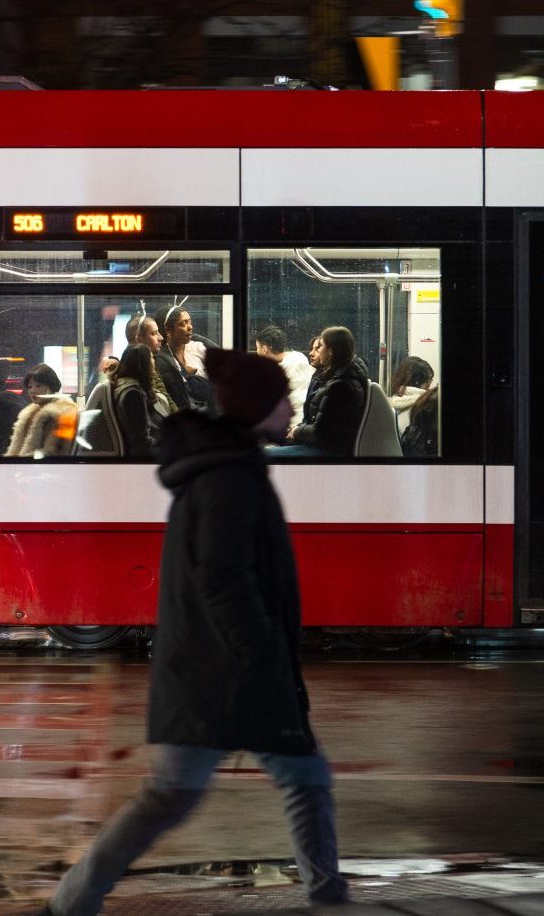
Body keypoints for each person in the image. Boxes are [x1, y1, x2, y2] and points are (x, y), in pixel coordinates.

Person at [43, 348, 348, 916]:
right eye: (281, 397)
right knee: (290, 783)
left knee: (228, 790)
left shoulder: (227, 468)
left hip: (214, 672)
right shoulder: (230, 478)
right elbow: (225, 580)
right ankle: (330, 901)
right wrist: (265, 659)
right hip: (228, 674)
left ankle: (72, 903)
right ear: (260, 407)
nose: (289, 406)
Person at [271, 326, 368, 458]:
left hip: (329, 450)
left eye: (320, 347)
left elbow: (322, 433)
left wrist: (297, 431)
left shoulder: (340, 386)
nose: (314, 352)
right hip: (323, 444)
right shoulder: (336, 378)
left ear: (331, 351)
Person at [6, 365, 78, 458]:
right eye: (30, 386)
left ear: (49, 387)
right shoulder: (31, 411)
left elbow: (57, 451)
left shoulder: (64, 412)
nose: (32, 390)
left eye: (38, 386)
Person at [255, 326, 311, 430]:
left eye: (257, 348)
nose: (256, 352)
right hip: (304, 422)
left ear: (264, 349)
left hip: (290, 427)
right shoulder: (300, 357)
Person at [111, 344, 156, 458]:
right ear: (143, 364)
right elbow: (142, 442)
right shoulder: (133, 395)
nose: (153, 361)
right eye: (151, 357)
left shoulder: (123, 384)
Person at [388, 356, 435, 436]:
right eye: (429, 381)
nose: (429, 386)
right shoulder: (424, 408)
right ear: (418, 382)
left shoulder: (391, 406)